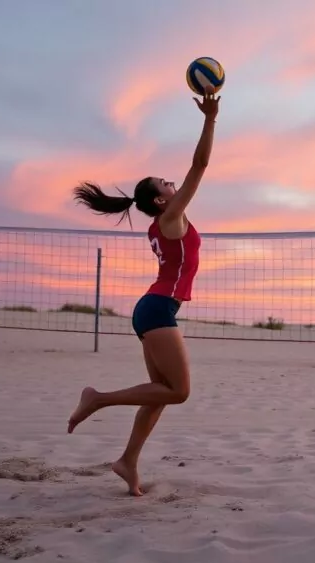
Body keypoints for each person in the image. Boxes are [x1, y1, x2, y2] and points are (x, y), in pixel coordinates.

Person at [65, 90, 220, 496]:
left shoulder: (159, 224)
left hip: (152, 309)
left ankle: (128, 461)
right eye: (166, 183)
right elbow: (200, 164)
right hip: (156, 310)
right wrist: (211, 118)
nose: (173, 183)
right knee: (179, 392)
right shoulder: (170, 218)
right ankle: (97, 399)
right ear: (160, 199)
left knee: (160, 395)